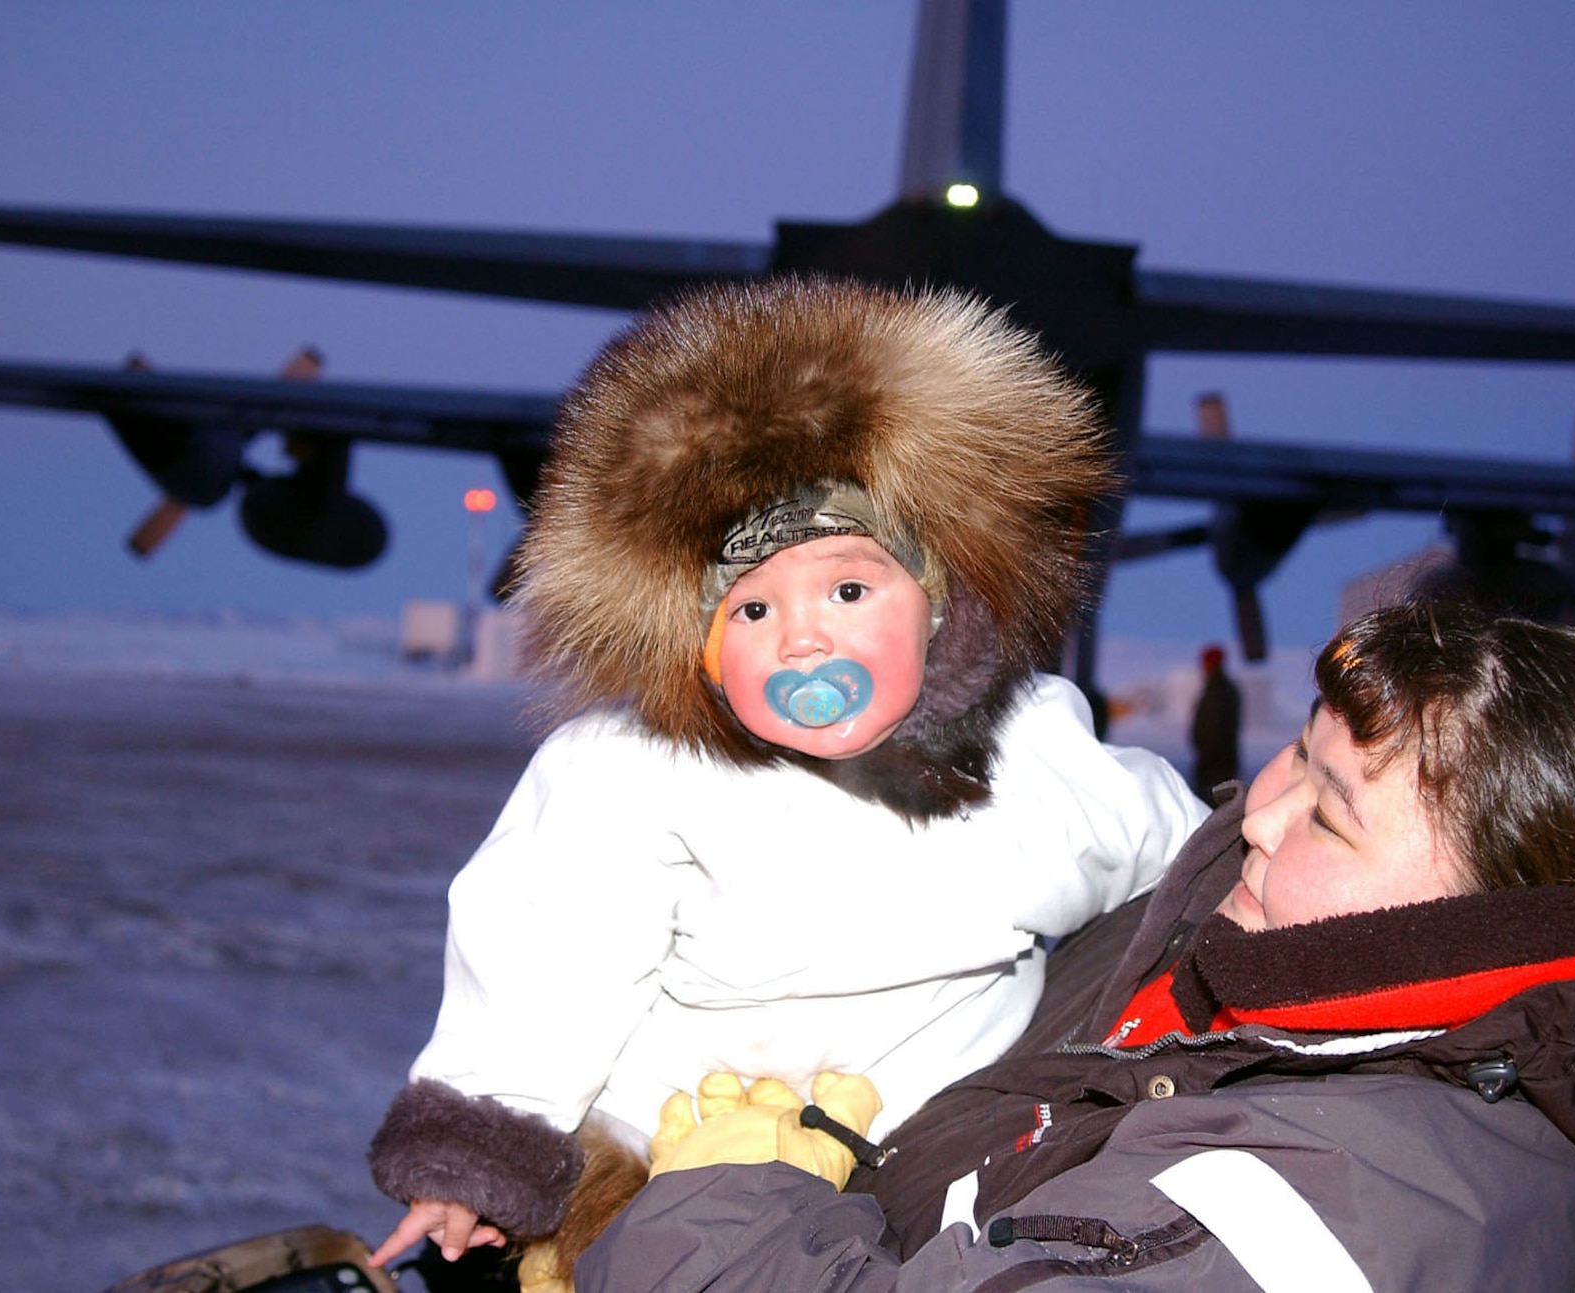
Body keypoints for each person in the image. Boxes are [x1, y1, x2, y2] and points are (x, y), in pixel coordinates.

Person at [576, 598, 1575, 1293]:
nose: (1256, 805)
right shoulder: (1262, 945)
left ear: (1482, 922)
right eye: (1300, 747)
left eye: (1332, 811)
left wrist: (725, 1199)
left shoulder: (1344, 1210)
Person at [364, 277, 1208, 1280]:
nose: (803, 634)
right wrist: (476, 1156)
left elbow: (1184, 858)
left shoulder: (1032, 756)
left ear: (938, 603)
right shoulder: (632, 778)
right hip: (668, 1163)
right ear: (696, 651)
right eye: (751, 613)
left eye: (848, 588)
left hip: (927, 1175)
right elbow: (540, 964)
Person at [1187, 642, 1240, 806]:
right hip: (1218, 762)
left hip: (1214, 766)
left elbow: (1213, 730)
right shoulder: (1223, 689)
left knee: (1210, 810)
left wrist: (1206, 757)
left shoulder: (1217, 691)